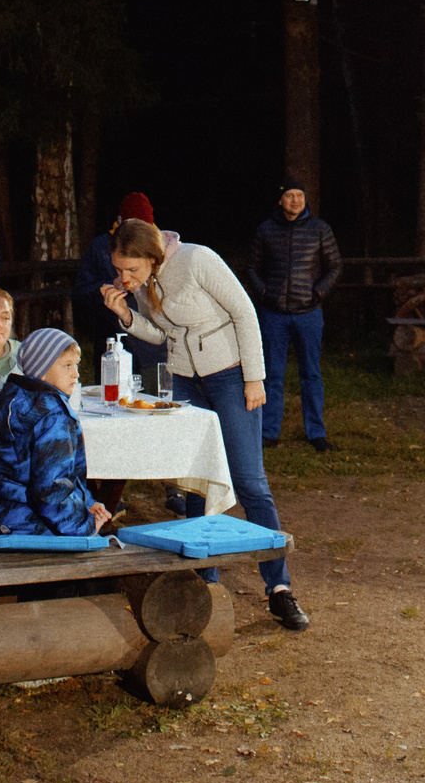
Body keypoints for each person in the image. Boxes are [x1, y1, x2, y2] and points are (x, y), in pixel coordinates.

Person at [99, 218, 307, 631]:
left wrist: (254, 377)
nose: (124, 277)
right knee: (196, 480)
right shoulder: (142, 283)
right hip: (183, 379)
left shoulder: (197, 260)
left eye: (131, 270)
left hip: (229, 373)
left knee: (249, 481)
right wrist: (126, 314)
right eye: (120, 270)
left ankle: (279, 588)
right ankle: (203, 581)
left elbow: (245, 313)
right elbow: (161, 336)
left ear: (153, 256)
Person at [0, 328, 111, 540]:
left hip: (3, 518)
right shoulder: (55, 416)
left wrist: (87, 503)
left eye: (76, 365)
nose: (76, 373)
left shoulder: (13, 402)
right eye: (67, 365)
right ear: (41, 371)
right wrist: (84, 526)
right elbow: (51, 489)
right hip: (37, 527)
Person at [247, 178, 344, 453]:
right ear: (281, 200)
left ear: (305, 200)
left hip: (309, 313)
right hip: (274, 314)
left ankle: (316, 433)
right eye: (289, 196)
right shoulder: (266, 230)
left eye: (299, 196)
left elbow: (335, 266)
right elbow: (251, 267)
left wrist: (319, 292)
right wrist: (264, 293)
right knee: (271, 375)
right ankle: (268, 432)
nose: (295, 201)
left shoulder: (320, 229)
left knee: (311, 374)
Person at [76, 193, 166, 383]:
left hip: (153, 349)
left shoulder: (162, 246)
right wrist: (107, 290)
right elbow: (81, 294)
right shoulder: (101, 246)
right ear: (119, 221)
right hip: (112, 343)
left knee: (153, 402)